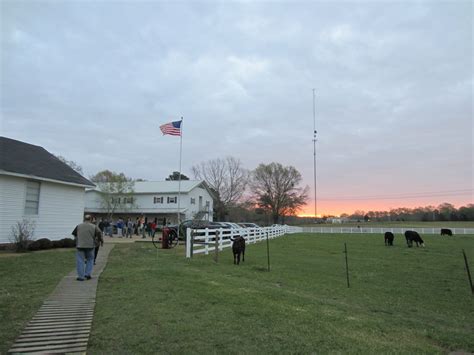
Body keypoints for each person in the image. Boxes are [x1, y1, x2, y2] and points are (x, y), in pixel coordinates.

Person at [72, 215, 102, 281]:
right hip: (90, 245)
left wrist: (77, 240)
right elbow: (99, 233)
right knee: (90, 259)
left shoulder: (79, 226)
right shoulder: (94, 226)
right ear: (90, 219)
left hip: (80, 245)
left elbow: (74, 234)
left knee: (80, 261)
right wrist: (99, 240)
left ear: (84, 219)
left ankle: (81, 277)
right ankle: (87, 274)